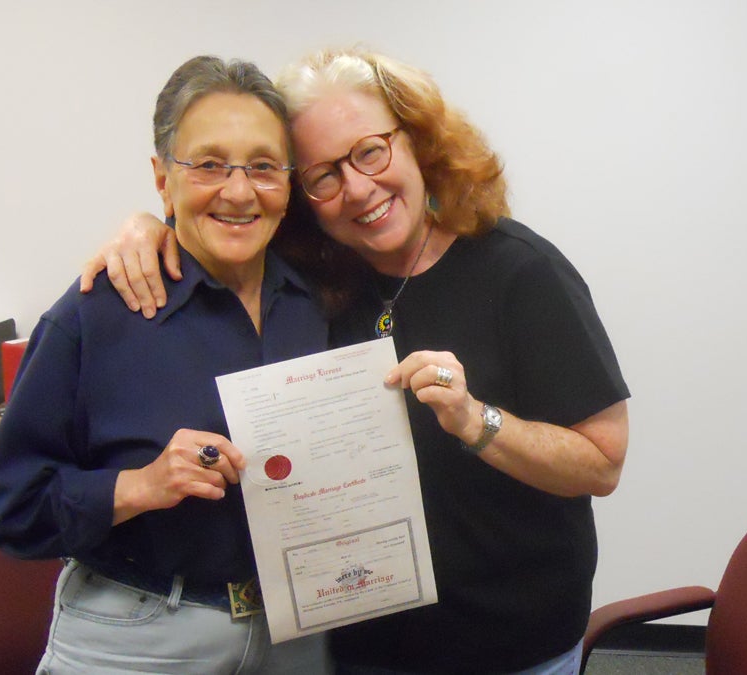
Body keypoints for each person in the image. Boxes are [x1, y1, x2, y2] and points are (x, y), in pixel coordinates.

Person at [81, 48, 630, 675]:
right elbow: (219, 215)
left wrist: (479, 422)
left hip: (508, 648)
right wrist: (149, 225)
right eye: (322, 175)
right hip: (351, 647)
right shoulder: (305, 282)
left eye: (371, 151)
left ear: (417, 141)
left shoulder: (520, 272)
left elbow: (602, 463)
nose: (358, 188)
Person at [0, 55, 331, 674]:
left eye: (262, 166)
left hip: (296, 637)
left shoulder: (319, 303)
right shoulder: (98, 315)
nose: (239, 190)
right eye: (209, 164)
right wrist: (139, 487)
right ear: (161, 177)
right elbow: (14, 509)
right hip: (140, 637)